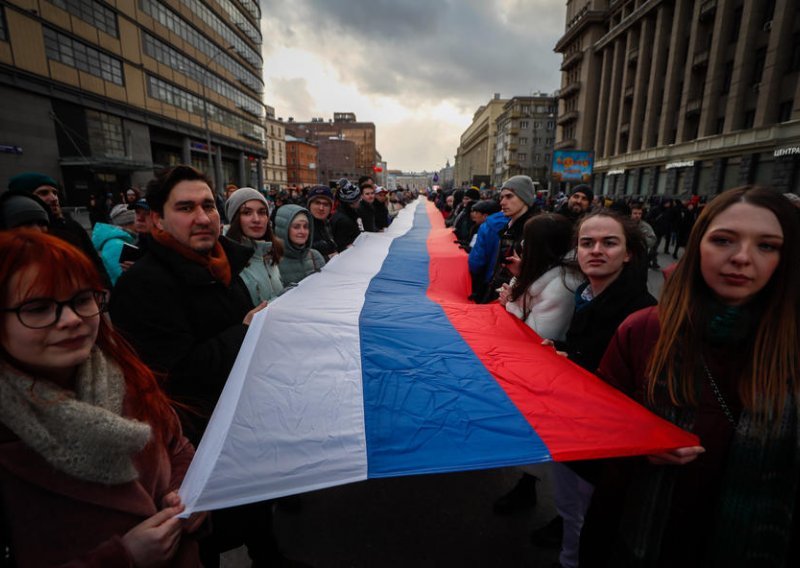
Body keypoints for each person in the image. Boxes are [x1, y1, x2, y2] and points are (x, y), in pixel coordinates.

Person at [581, 186, 800, 567]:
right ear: (697, 245)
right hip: (644, 538)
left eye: (767, 246)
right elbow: (597, 431)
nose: (742, 258)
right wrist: (638, 443)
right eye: (723, 240)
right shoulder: (644, 332)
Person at [108, 165, 281, 567]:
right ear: (157, 219)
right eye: (186, 207)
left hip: (240, 426)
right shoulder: (144, 286)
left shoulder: (222, 265)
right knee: (205, 543)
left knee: (259, 523)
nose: (203, 217)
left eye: (208, 205)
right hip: (193, 443)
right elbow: (173, 373)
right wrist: (246, 331)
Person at [0, 230, 203, 566]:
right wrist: (123, 558)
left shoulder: (126, 378)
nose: (71, 320)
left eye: (82, 300)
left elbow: (177, 446)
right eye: (38, 308)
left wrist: (188, 498)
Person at [534, 209, 656, 568]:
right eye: (587, 243)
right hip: (574, 428)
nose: (596, 250)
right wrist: (563, 355)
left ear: (629, 253)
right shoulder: (586, 294)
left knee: (592, 518)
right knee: (569, 509)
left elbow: (635, 385)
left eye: (609, 242)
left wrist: (573, 365)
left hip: (605, 443)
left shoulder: (642, 312)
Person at [494, 213, 583, 516]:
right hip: (545, 369)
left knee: (544, 436)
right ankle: (527, 486)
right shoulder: (551, 273)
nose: (522, 247)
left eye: (528, 243)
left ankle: (549, 504)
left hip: (548, 372)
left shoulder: (561, 284)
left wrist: (510, 305)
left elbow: (535, 334)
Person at [8, 172, 111, 287]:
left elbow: (94, 261)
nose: (53, 198)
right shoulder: (14, 235)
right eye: (43, 193)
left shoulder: (72, 226)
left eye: (55, 193)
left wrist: (104, 287)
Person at [481, 175, 538, 303]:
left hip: (512, 302)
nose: (502, 202)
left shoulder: (533, 231)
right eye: (502, 197)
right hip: (501, 297)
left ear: (525, 198)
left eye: (509, 196)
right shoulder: (510, 226)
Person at [224, 187, 285, 304]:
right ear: (235, 218)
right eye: (247, 213)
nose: (256, 219)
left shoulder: (269, 251)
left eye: (262, 212)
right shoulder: (227, 258)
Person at [275, 204, 325, 287]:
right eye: (296, 227)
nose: (302, 231)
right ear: (284, 229)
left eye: (306, 227)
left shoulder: (315, 256)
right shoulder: (273, 262)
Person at [91, 203, 138, 286]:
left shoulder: (120, 240)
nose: (138, 223)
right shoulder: (116, 244)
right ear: (128, 223)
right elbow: (121, 277)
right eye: (136, 220)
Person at [306, 185, 338, 260]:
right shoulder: (303, 226)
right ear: (309, 205)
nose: (321, 208)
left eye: (326, 204)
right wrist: (327, 258)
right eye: (317, 203)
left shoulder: (328, 224)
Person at [330, 178, 363, 252]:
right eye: (358, 199)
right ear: (351, 202)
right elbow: (343, 246)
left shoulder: (348, 213)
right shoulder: (344, 220)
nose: (360, 200)